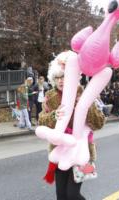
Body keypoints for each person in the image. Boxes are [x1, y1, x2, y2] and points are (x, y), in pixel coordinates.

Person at [39, 51, 105, 200]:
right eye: (58, 77)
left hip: (80, 150)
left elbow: (99, 123)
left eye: (65, 76)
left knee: (72, 195)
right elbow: (41, 121)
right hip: (60, 149)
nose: (61, 81)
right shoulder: (50, 96)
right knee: (61, 195)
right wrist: (53, 116)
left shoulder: (86, 93)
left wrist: (86, 106)